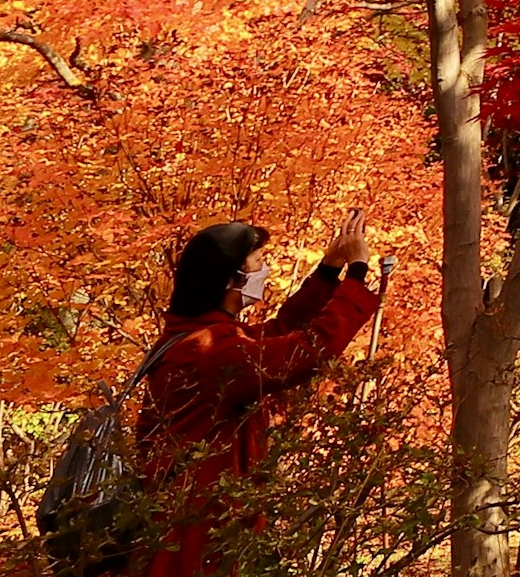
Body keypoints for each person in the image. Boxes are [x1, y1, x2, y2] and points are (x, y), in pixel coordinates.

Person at [137, 213, 383, 577]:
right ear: (232, 281)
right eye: (258, 263)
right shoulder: (212, 351)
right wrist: (357, 275)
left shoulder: (197, 337)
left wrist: (329, 272)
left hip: (186, 524)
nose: (265, 271)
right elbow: (308, 351)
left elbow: (276, 334)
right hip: (197, 537)